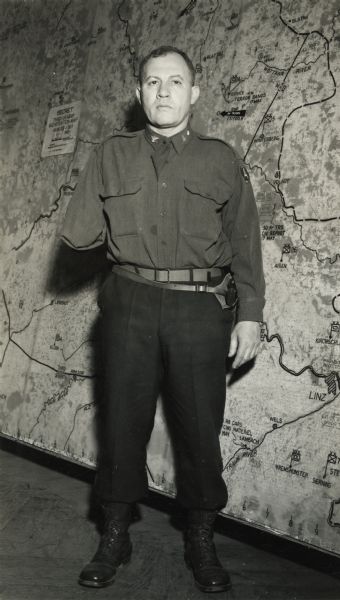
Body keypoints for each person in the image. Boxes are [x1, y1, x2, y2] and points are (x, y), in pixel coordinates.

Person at [61, 45, 265, 593]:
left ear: (194, 93)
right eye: (153, 82)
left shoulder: (221, 159)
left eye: (176, 82)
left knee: (200, 427)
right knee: (121, 422)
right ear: (139, 93)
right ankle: (115, 533)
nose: (164, 92)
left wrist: (251, 316)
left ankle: (200, 538)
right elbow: (79, 233)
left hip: (201, 309)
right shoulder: (112, 153)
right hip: (129, 298)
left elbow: (246, 244)